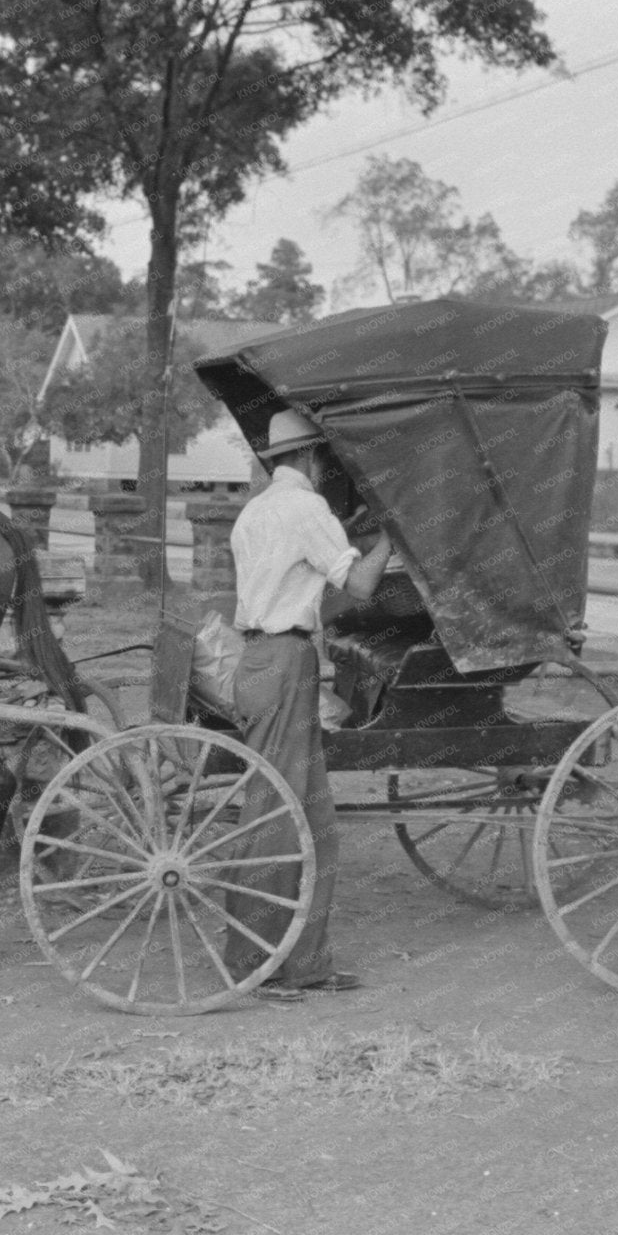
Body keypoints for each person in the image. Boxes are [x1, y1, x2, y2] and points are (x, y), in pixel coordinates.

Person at [222, 409, 394, 995]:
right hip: (285, 662)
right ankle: (261, 966)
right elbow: (363, 586)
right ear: (313, 458)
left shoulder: (256, 511)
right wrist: (393, 534)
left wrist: (351, 536)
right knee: (277, 817)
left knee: (312, 821)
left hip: (259, 661)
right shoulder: (305, 508)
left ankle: (300, 964)